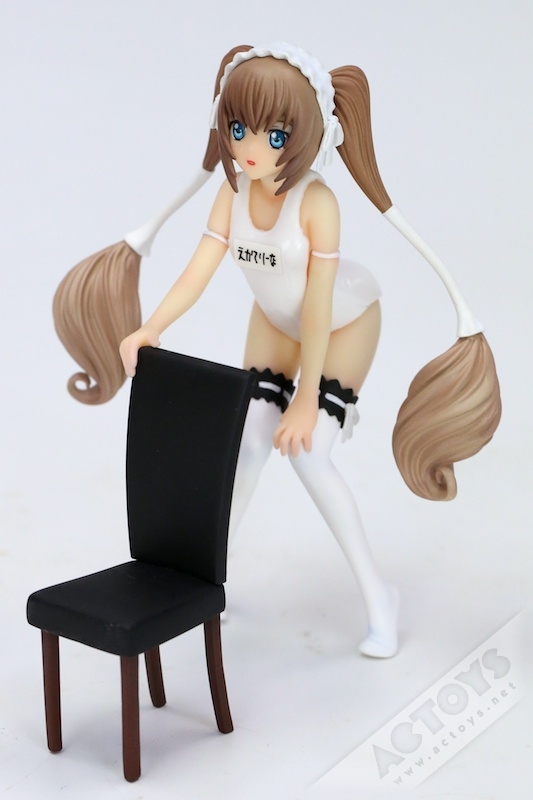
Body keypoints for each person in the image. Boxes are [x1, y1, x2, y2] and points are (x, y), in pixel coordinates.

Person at [54, 43, 502, 658]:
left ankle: (380, 599)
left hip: (342, 327)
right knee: (247, 447)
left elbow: (317, 309)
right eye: (238, 128)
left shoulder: (317, 203)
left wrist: (306, 399)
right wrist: (151, 326)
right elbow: (199, 269)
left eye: (274, 135)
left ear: (305, 137)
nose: (249, 148)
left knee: (310, 456)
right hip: (271, 324)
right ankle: (207, 581)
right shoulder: (233, 192)